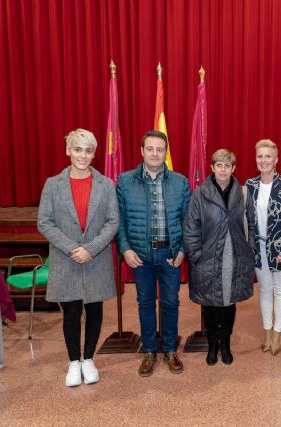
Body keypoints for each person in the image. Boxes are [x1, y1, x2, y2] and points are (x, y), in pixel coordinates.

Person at [38, 129, 119, 387]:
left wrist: (91, 248)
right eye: (77, 149)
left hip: (96, 258)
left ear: (94, 154)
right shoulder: (53, 184)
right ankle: (74, 361)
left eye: (87, 150)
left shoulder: (106, 185)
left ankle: (89, 359)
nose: (82, 155)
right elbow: (45, 222)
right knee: (71, 312)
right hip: (66, 258)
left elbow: (112, 222)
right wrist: (73, 249)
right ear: (68, 151)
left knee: (95, 309)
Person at [117, 130, 190, 377]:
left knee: (171, 303)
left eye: (160, 149)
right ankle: (149, 350)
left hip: (170, 256)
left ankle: (170, 349)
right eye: (150, 149)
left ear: (165, 152)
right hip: (140, 257)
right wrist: (125, 249)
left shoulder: (180, 182)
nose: (155, 154)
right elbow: (120, 220)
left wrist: (182, 251)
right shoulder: (125, 181)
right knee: (145, 304)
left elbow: (188, 220)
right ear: (142, 151)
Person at [184, 149, 256, 366]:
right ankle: (212, 344)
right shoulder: (200, 193)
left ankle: (225, 343)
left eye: (228, 165)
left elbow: (252, 223)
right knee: (210, 303)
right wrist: (196, 254)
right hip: (208, 257)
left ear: (233, 169)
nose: (223, 169)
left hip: (234, 257)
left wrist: (250, 249)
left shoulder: (243, 193)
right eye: (219, 165)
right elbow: (191, 226)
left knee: (228, 302)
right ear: (212, 168)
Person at [245, 140, 281, 356]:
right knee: (264, 290)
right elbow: (246, 219)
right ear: (256, 159)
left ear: (276, 160)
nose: (264, 160)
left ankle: (277, 334)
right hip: (258, 247)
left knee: (280, 290)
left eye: (268, 156)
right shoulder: (249, 185)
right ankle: (266, 332)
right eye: (260, 156)